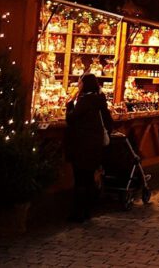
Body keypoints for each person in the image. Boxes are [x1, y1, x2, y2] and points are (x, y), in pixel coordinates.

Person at [64, 74, 115, 222]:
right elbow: (108, 122)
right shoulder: (100, 101)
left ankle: (77, 213)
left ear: (84, 85)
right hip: (95, 146)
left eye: (80, 83)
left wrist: (69, 106)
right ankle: (87, 211)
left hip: (82, 145)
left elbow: (71, 119)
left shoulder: (85, 101)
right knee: (88, 179)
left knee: (80, 179)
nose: (78, 85)